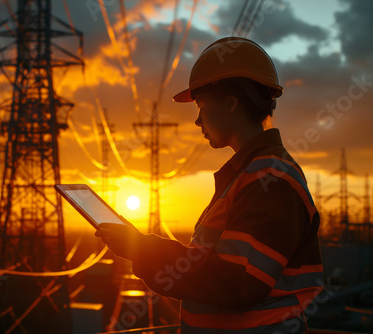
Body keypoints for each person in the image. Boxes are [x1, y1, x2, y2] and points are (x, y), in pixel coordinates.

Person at [95, 37, 323, 333]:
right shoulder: (252, 175)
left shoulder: (270, 178)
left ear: (230, 104)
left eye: (201, 106)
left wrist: (143, 250)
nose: (197, 121)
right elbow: (216, 267)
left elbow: (236, 281)